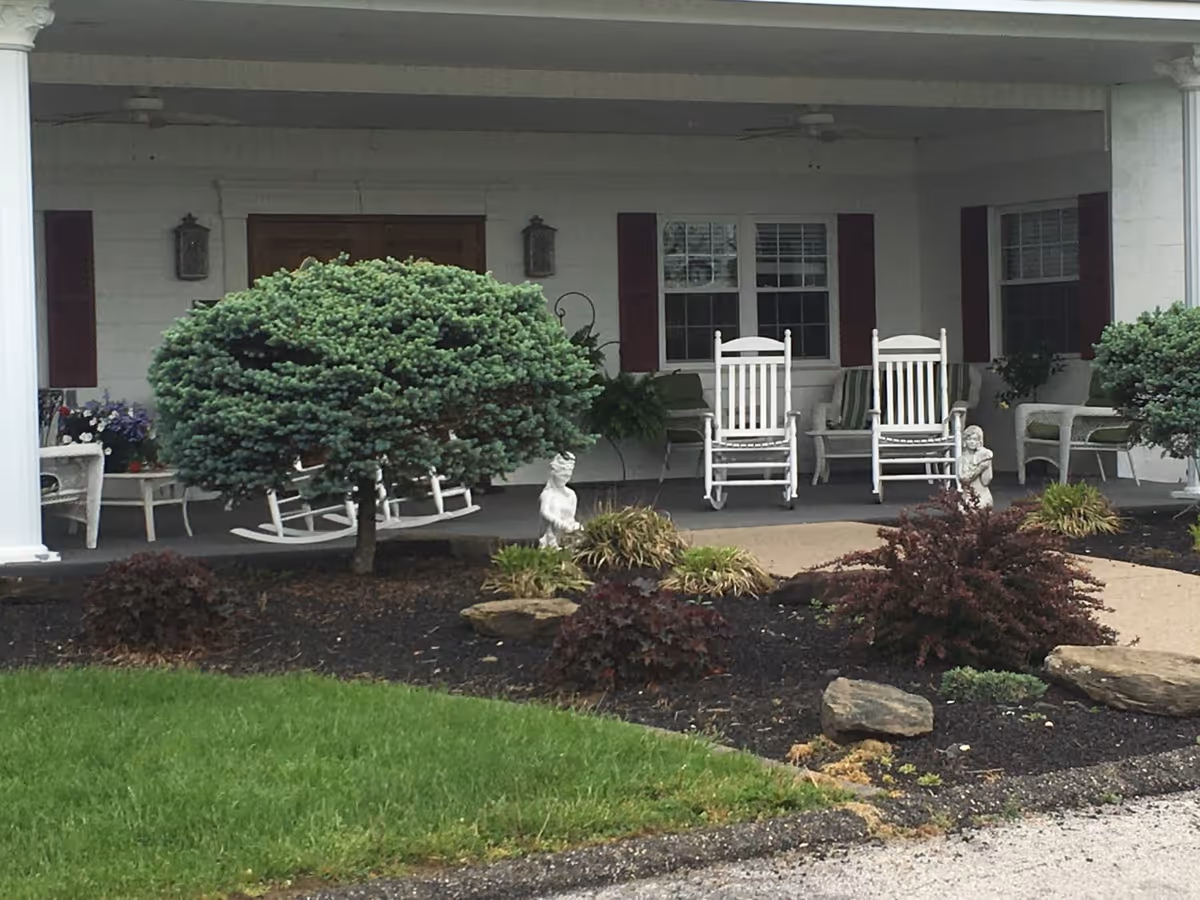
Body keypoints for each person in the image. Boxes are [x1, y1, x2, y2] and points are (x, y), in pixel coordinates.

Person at [538, 453, 581, 548]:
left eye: (568, 475)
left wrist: (573, 526)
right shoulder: (548, 494)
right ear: (554, 473)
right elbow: (545, 512)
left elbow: (571, 516)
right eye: (562, 475)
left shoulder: (571, 494)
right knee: (554, 503)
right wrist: (561, 524)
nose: (565, 478)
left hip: (566, 534)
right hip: (553, 534)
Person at [958, 424, 994, 508]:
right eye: (969, 439)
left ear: (979, 441)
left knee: (984, 505)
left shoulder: (982, 457)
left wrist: (988, 465)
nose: (972, 442)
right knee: (964, 508)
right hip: (967, 496)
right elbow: (963, 479)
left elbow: (986, 481)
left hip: (982, 494)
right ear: (965, 441)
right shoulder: (961, 459)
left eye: (975, 439)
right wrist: (979, 469)